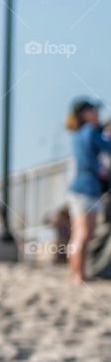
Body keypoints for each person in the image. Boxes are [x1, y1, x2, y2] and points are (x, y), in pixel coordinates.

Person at [67, 99, 111, 284]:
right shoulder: (90, 131)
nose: (97, 114)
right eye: (94, 110)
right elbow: (107, 147)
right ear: (86, 113)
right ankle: (79, 275)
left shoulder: (77, 133)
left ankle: (75, 272)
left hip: (79, 187)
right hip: (86, 186)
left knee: (79, 233)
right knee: (84, 233)